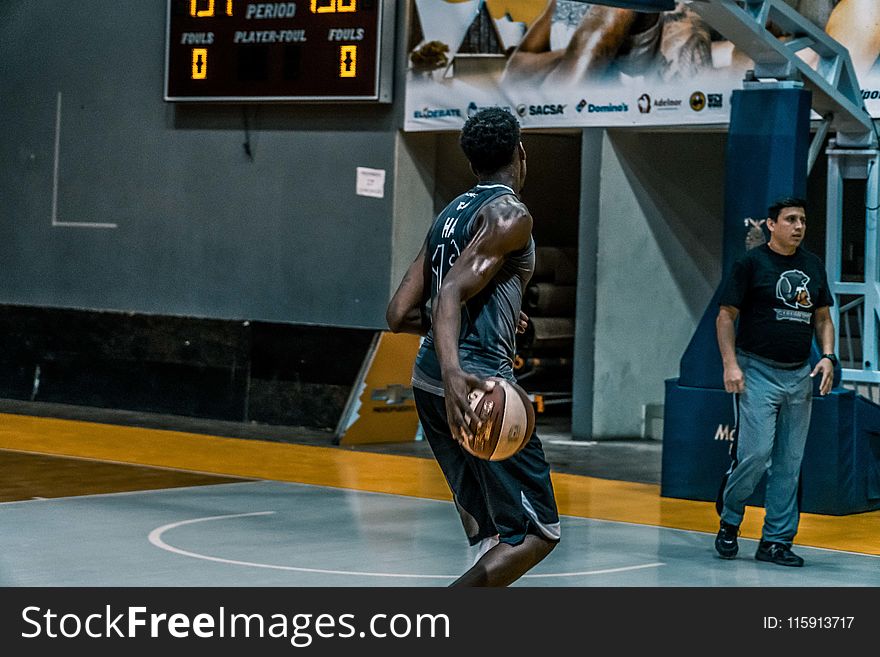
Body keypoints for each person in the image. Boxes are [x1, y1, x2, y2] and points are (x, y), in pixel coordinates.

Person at [386, 107, 560, 587]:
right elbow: (449, 294)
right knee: (533, 533)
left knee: (491, 530)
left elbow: (399, 312)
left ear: (472, 163)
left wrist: (496, 317)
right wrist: (456, 370)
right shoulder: (510, 214)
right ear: (520, 153)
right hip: (477, 386)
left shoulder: (448, 215)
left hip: (430, 383)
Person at [714, 196, 836, 567]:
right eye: (790, 220)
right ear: (772, 224)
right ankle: (731, 518)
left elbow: (823, 319)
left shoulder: (813, 266)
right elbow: (724, 316)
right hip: (757, 372)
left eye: (802, 220)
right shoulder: (752, 264)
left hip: (799, 374)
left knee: (789, 462)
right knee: (755, 455)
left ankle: (776, 541)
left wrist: (828, 356)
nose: (798, 226)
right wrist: (730, 365)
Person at [501, 0, 712, 88]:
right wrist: (566, 54)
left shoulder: (618, 6)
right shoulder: (564, 3)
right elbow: (514, 72)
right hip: (590, 129)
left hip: (626, 128)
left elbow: (566, 96)